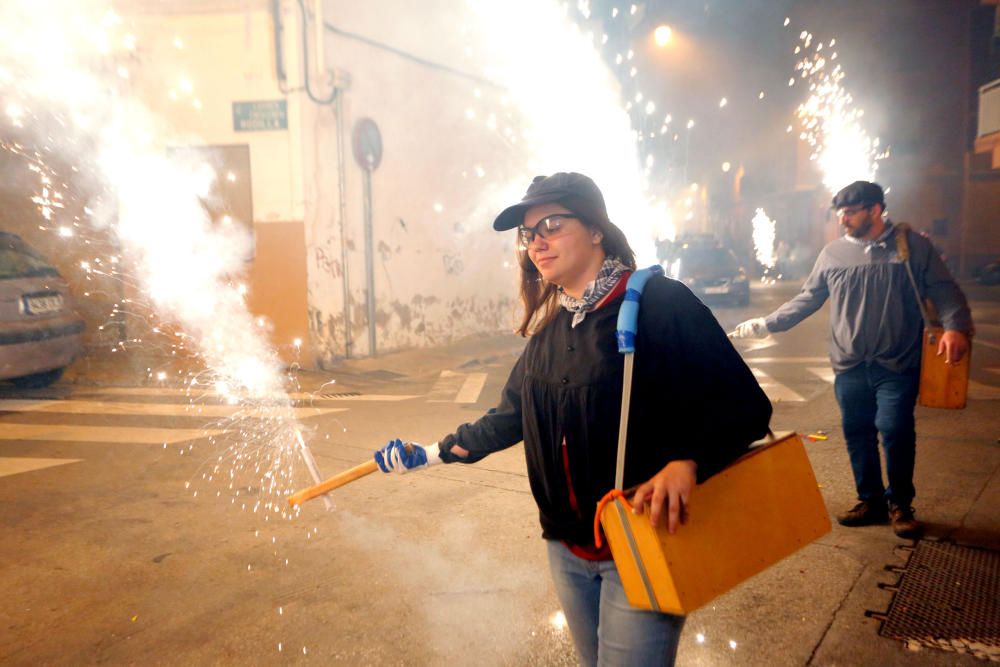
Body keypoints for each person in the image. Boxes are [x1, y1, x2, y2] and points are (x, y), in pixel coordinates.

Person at [373, 172, 772, 666]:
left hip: (641, 538)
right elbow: (509, 416)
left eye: (552, 225)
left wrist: (687, 460)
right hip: (565, 548)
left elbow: (746, 407)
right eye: (528, 233)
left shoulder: (661, 305)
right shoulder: (551, 332)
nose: (536, 242)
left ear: (596, 230)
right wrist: (429, 453)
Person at [733, 181, 972, 539]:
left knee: (894, 428)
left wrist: (955, 327)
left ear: (875, 210)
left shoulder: (912, 248)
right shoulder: (832, 255)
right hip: (850, 364)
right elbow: (807, 299)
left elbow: (944, 289)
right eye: (840, 213)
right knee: (858, 433)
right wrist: (767, 323)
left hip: (897, 362)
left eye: (850, 212)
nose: (843, 220)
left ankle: (901, 505)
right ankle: (870, 500)